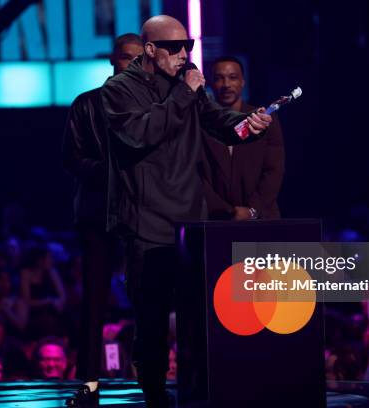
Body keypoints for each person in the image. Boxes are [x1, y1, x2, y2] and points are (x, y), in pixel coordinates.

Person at [101, 15, 272, 407]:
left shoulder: (187, 85)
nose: (184, 55)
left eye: (189, 47)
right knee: (153, 316)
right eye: (175, 48)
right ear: (149, 50)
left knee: (198, 313)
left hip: (190, 220)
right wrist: (183, 94)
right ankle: (155, 394)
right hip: (148, 219)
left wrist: (249, 125)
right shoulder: (119, 90)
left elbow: (217, 121)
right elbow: (139, 133)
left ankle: (201, 388)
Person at [62, 33, 144, 407]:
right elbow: (73, 160)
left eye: (139, 58)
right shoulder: (87, 104)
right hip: (98, 213)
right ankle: (90, 381)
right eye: (127, 58)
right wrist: (118, 172)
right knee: (94, 300)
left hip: (143, 214)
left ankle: (150, 376)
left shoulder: (152, 106)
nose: (134, 64)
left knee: (149, 298)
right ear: (114, 61)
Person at [202, 56, 285, 220]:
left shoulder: (264, 118)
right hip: (216, 220)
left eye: (233, 77)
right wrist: (228, 212)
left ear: (243, 82)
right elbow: (198, 176)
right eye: (219, 78)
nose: (226, 85)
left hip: (262, 218)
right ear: (211, 83)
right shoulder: (201, 123)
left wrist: (253, 210)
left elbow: (274, 170)